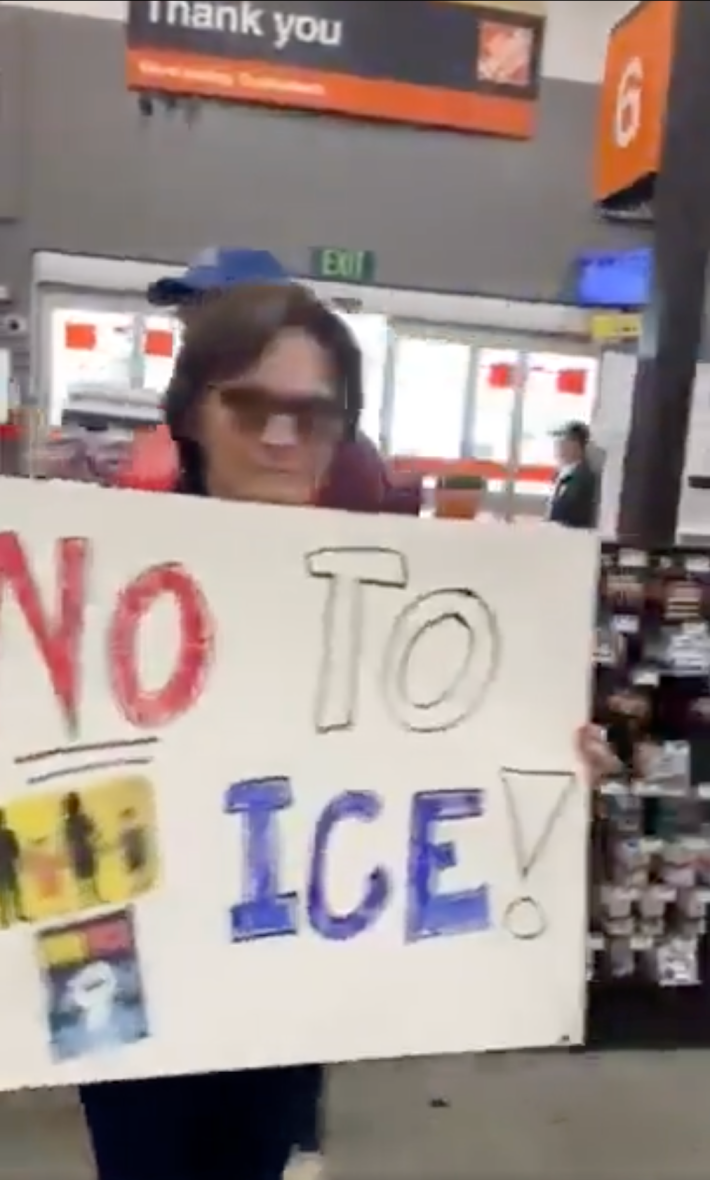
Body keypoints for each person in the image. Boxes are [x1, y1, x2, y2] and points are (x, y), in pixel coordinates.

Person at [81, 283, 615, 1180]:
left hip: (287, 975)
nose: (282, 437)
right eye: (250, 405)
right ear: (193, 414)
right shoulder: (97, 568)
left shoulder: (387, 587)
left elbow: (429, 759)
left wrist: (549, 772)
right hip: (136, 968)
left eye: (313, 414)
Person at [547, 420, 599, 529]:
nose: (558, 446)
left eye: (564, 441)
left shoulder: (584, 478)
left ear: (578, 445)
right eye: (557, 441)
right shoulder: (558, 474)